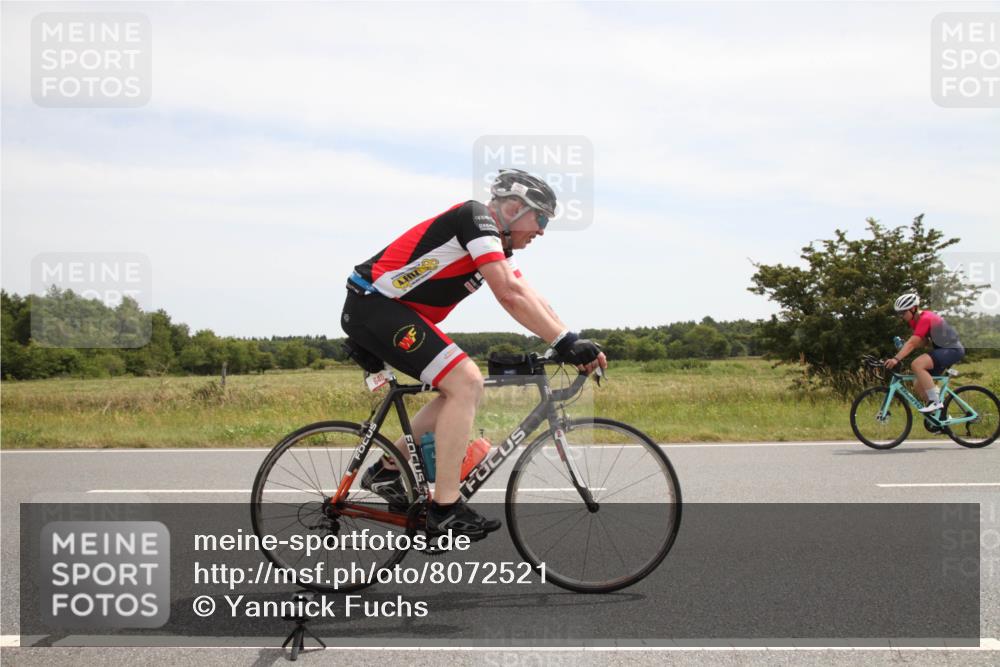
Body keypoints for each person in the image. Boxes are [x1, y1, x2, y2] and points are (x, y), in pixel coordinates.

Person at [340, 169, 607, 540]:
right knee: (465, 381)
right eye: (541, 217)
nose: (543, 230)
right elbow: (508, 295)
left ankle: (387, 470)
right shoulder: (475, 218)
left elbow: (527, 294)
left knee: (463, 386)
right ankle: (445, 508)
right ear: (514, 207)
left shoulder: (495, 241)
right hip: (375, 305)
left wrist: (572, 339)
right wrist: (563, 342)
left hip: (391, 311)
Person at [884, 293, 965, 413]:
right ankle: (941, 419)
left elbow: (913, 343)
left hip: (952, 350)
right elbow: (924, 342)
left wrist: (896, 358)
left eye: (903, 312)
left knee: (917, 364)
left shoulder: (926, 318)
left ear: (913, 309)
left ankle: (935, 402)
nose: (901, 316)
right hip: (942, 350)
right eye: (899, 314)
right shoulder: (914, 321)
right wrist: (904, 345)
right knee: (918, 385)